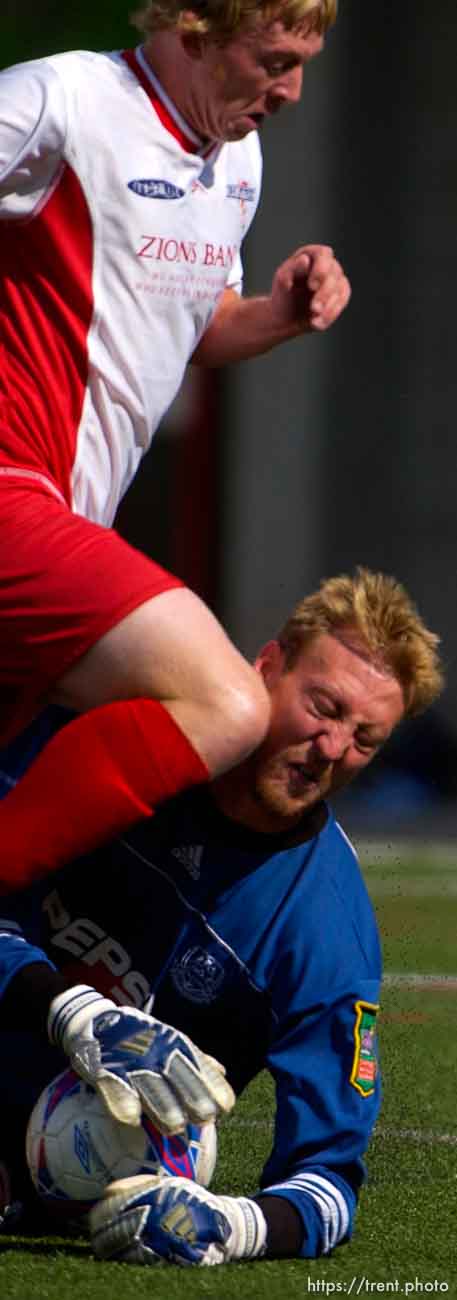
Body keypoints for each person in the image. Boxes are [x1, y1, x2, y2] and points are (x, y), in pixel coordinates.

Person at [0, 0, 350, 890]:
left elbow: (194, 327)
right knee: (226, 701)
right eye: (274, 59)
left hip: (69, 518)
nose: (293, 89)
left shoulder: (238, 157)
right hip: (13, 492)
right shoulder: (64, 99)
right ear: (191, 28)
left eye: (304, 62)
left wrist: (275, 316)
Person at [0, 569, 443, 1263]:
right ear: (266, 666)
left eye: (365, 739)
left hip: (71, 1189)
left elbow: (327, 1186)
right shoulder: (118, 736)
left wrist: (236, 1226)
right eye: (323, 707)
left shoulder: (324, 931)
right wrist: (71, 1011)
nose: (331, 749)